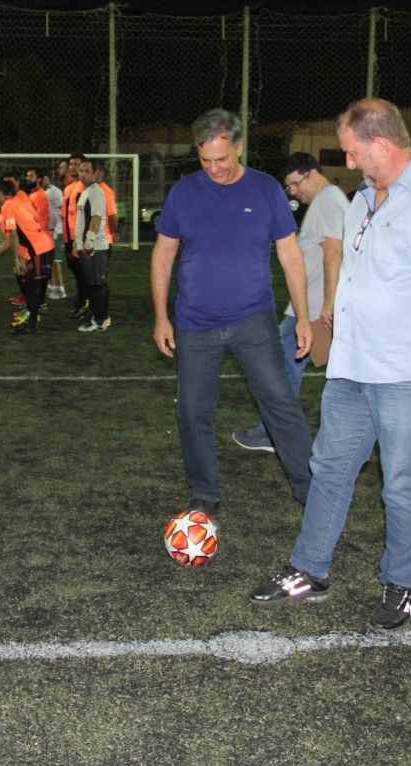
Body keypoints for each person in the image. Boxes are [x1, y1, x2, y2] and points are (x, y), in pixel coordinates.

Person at [249, 98, 411, 633]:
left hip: (410, 374)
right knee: (329, 469)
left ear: (381, 144)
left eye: (354, 152)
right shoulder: (362, 199)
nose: (352, 162)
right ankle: (309, 570)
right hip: (351, 369)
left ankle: (403, 583)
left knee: (403, 483)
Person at [151, 108, 314, 516]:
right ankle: (204, 492)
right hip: (194, 324)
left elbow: (291, 255)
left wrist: (305, 318)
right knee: (192, 412)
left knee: (280, 403)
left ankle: (310, 488)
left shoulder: (266, 190)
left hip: (252, 319)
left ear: (239, 148)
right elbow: (163, 255)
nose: (214, 168)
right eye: (205, 161)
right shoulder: (184, 193)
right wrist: (161, 316)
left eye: (222, 159)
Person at [232, 152, 348, 452]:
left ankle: (270, 434)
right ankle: (274, 433)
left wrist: (327, 304)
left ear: (310, 173)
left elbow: (333, 252)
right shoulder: (328, 201)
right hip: (307, 307)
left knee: (281, 370)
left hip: (309, 309)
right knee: (287, 369)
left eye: (295, 184)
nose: (294, 192)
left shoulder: (328, 200)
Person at [0, 178, 54, 335]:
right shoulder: (13, 204)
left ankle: (32, 323)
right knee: (32, 285)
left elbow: (14, 235)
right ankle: (31, 319)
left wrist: (17, 258)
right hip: (38, 247)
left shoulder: (8, 206)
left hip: (39, 248)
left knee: (33, 286)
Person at [74, 159, 112, 332]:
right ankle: (97, 315)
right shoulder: (86, 191)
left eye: (87, 171)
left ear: (96, 173)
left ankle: (101, 320)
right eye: (81, 170)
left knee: (98, 285)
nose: (82, 173)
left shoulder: (96, 192)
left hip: (95, 247)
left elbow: (96, 218)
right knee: (92, 284)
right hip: (88, 247)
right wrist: (78, 243)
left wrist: (89, 241)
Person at [61, 153, 89, 318]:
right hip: (68, 237)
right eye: (71, 164)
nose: (73, 167)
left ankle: (86, 302)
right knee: (76, 270)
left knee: (84, 272)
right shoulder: (70, 187)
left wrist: (80, 240)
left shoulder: (85, 187)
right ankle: (81, 298)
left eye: (76, 164)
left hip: (78, 239)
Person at [40, 168, 67, 299]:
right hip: (50, 230)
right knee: (49, 261)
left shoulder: (51, 192)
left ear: (47, 179)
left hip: (56, 230)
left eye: (42, 178)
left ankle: (61, 289)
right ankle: (51, 287)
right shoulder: (48, 191)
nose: (40, 181)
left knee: (55, 261)